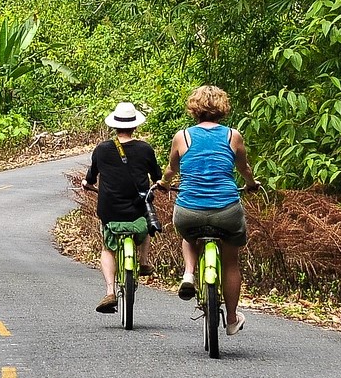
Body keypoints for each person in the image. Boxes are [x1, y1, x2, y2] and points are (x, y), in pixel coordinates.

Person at [155, 85, 260, 336]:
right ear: (223, 108)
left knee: (188, 235)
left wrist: (163, 183)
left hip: (189, 210)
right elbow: (244, 168)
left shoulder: (182, 137)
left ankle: (189, 274)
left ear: (193, 108)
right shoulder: (233, 136)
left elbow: (171, 169)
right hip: (227, 210)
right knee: (231, 262)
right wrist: (251, 184)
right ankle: (232, 318)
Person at [83, 103, 163, 314]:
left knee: (108, 248)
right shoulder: (145, 149)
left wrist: (87, 184)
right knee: (146, 221)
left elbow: (90, 178)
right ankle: (144, 261)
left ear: (114, 126)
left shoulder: (101, 149)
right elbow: (157, 177)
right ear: (135, 126)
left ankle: (109, 290)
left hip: (111, 210)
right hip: (138, 208)